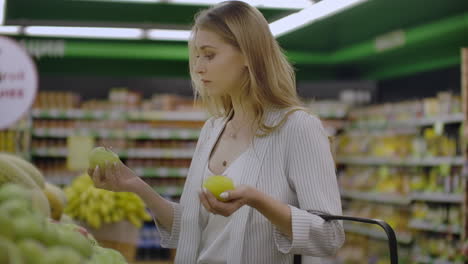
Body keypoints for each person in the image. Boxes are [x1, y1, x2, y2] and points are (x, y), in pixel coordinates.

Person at [88, 1, 345, 263]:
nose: (198, 67)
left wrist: (257, 201)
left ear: (248, 54)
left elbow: (329, 236)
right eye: (197, 56)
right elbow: (188, 230)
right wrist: (136, 186)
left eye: (209, 55)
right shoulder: (213, 129)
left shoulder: (298, 128)